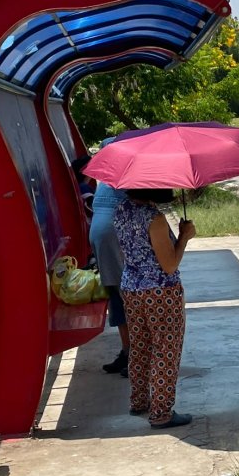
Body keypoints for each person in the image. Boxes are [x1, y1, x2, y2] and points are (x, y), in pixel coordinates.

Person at [113, 187, 196, 429]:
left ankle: (139, 401)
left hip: (131, 288)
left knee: (140, 346)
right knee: (165, 350)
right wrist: (183, 238)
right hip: (160, 292)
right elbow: (169, 265)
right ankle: (161, 412)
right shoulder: (154, 219)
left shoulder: (121, 210)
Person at [87, 143, 130, 376]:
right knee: (122, 299)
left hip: (113, 246)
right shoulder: (112, 179)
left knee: (123, 299)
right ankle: (130, 353)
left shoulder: (120, 178)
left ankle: (133, 354)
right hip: (109, 248)